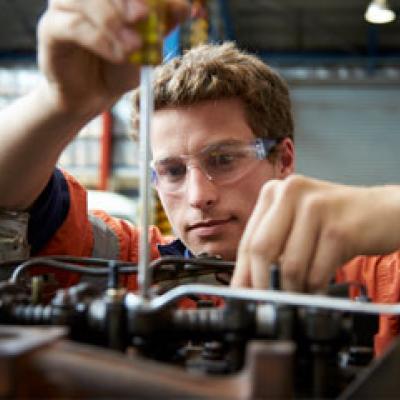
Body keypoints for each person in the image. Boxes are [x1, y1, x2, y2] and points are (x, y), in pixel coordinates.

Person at [0, 0, 400, 355]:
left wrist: (388, 209)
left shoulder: (375, 280)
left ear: (283, 159)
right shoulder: (127, 266)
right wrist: (60, 102)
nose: (198, 196)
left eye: (223, 159)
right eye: (172, 171)